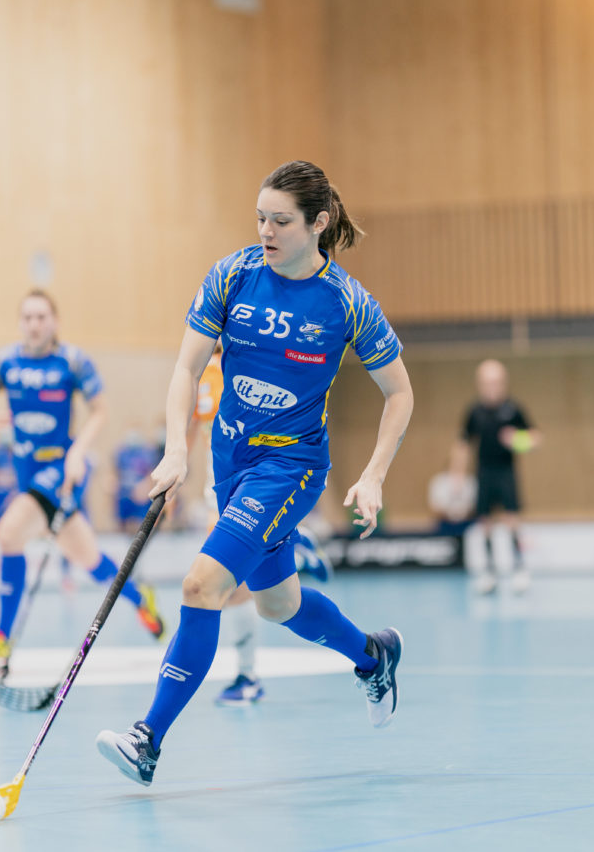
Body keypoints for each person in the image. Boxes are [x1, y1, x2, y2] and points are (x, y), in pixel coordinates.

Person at [96, 160, 414, 787]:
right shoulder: (232, 274)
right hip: (229, 461)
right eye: (260, 217)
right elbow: (187, 369)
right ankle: (373, 657)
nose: (265, 230)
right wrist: (176, 450)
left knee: (201, 585)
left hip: (290, 465)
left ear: (319, 224)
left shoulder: (348, 303)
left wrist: (374, 473)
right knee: (277, 604)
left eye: (281, 220)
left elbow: (399, 393)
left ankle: (148, 740)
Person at [0, 289, 164, 662]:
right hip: (27, 474)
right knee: (88, 558)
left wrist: (78, 451)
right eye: (27, 317)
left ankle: (1, 636)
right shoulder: (5, 362)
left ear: (54, 321)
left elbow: (100, 411)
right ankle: (140, 598)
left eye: (42, 317)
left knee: (9, 534)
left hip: (60, 469)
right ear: (20, 323)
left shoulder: (72, 361)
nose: (34, 324)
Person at [187, 347, 334, 707]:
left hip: (250, 484)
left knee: (231, 583)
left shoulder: (256, 356)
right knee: (234, 580)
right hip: (218, 484)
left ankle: (248, 676)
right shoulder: (203, 366)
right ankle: (295, 548)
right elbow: (194, 426)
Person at [460, 359, 538, 595]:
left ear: (503, 383)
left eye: (495, 382)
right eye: (486, 382)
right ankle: (489, 573)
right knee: (484, 523)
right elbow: (463, 442)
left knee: (511, 520)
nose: (491, 387)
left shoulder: (513, 409)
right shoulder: (474, 411)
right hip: (483, 472)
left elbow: (536, 438)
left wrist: (518, 440)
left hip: (506, 472)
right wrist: (457, 474)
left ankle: (519, 569)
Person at [112, 426, 161, 533]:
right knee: (123, 525)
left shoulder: (148, 453)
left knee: (141, 527)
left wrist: (146, 486)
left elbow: (152, 473)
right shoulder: (121, 453)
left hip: (141, 496)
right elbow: (116, 473)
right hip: (124, 495)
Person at [428, 441, 477, 537]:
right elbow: (435, 507)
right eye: (457, 457)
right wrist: (451, 514)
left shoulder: (472, 482)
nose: (460, 461)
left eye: (463, 458)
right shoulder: (439, 481)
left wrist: (462, 513)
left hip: (467, 526)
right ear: (451, 458)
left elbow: (474, 506)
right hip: (444, 526)